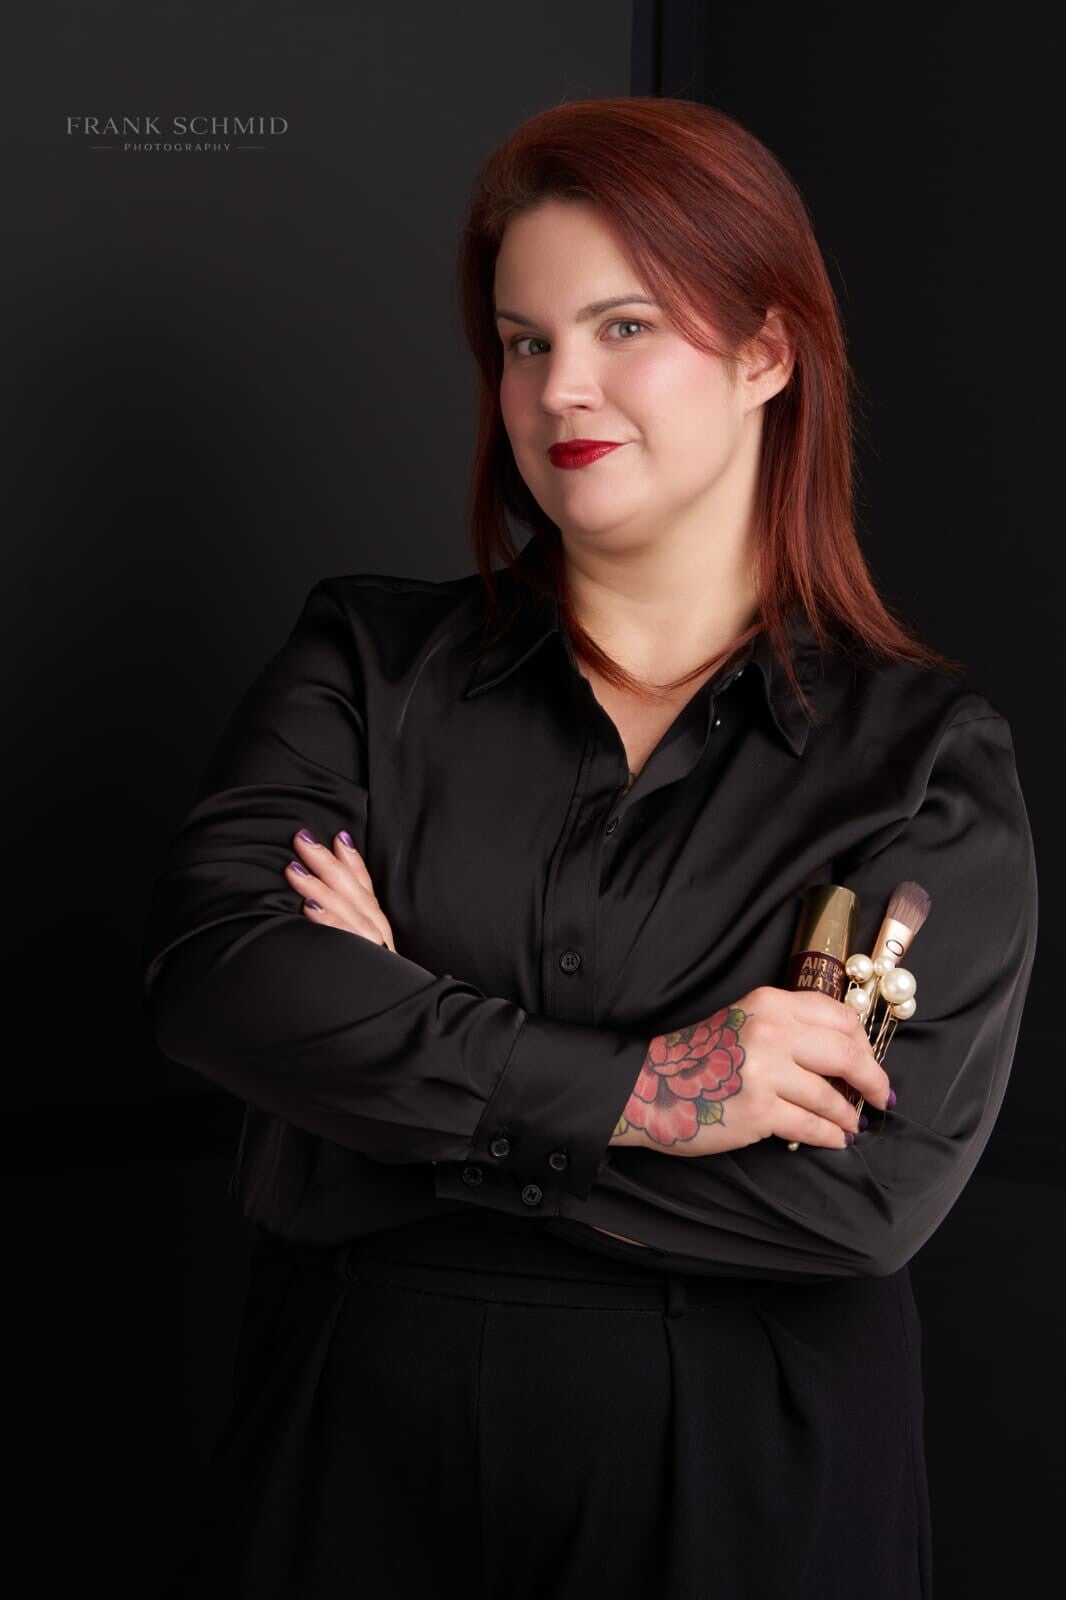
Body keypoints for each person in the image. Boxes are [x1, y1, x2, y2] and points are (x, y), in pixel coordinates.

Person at [142, 96, 1037, 1600]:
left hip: (746, 1474)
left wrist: (386, 1079)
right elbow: (220, 975)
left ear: (765, 352)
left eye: (625, 326)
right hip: (358, 1446)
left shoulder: (921, 761)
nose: (560, 386)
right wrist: (658, 1092)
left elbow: (858, 1198)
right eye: (523, 340)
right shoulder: (364, 662)